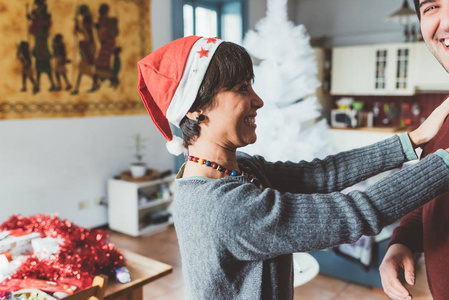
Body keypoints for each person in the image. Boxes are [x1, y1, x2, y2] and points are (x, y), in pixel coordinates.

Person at [137, 35, 449, 300]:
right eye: (242, 88)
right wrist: (445, 162)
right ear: (195, 109)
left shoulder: (238, 170)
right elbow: (354, 212)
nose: (258, 101)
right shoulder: (224, 207)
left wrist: (413, 139)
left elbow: (323, 174)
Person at [380, 1, 449, 300]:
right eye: (432, 6)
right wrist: (402, 241)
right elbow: (428, 197)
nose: (445, 22)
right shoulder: (442, 119)